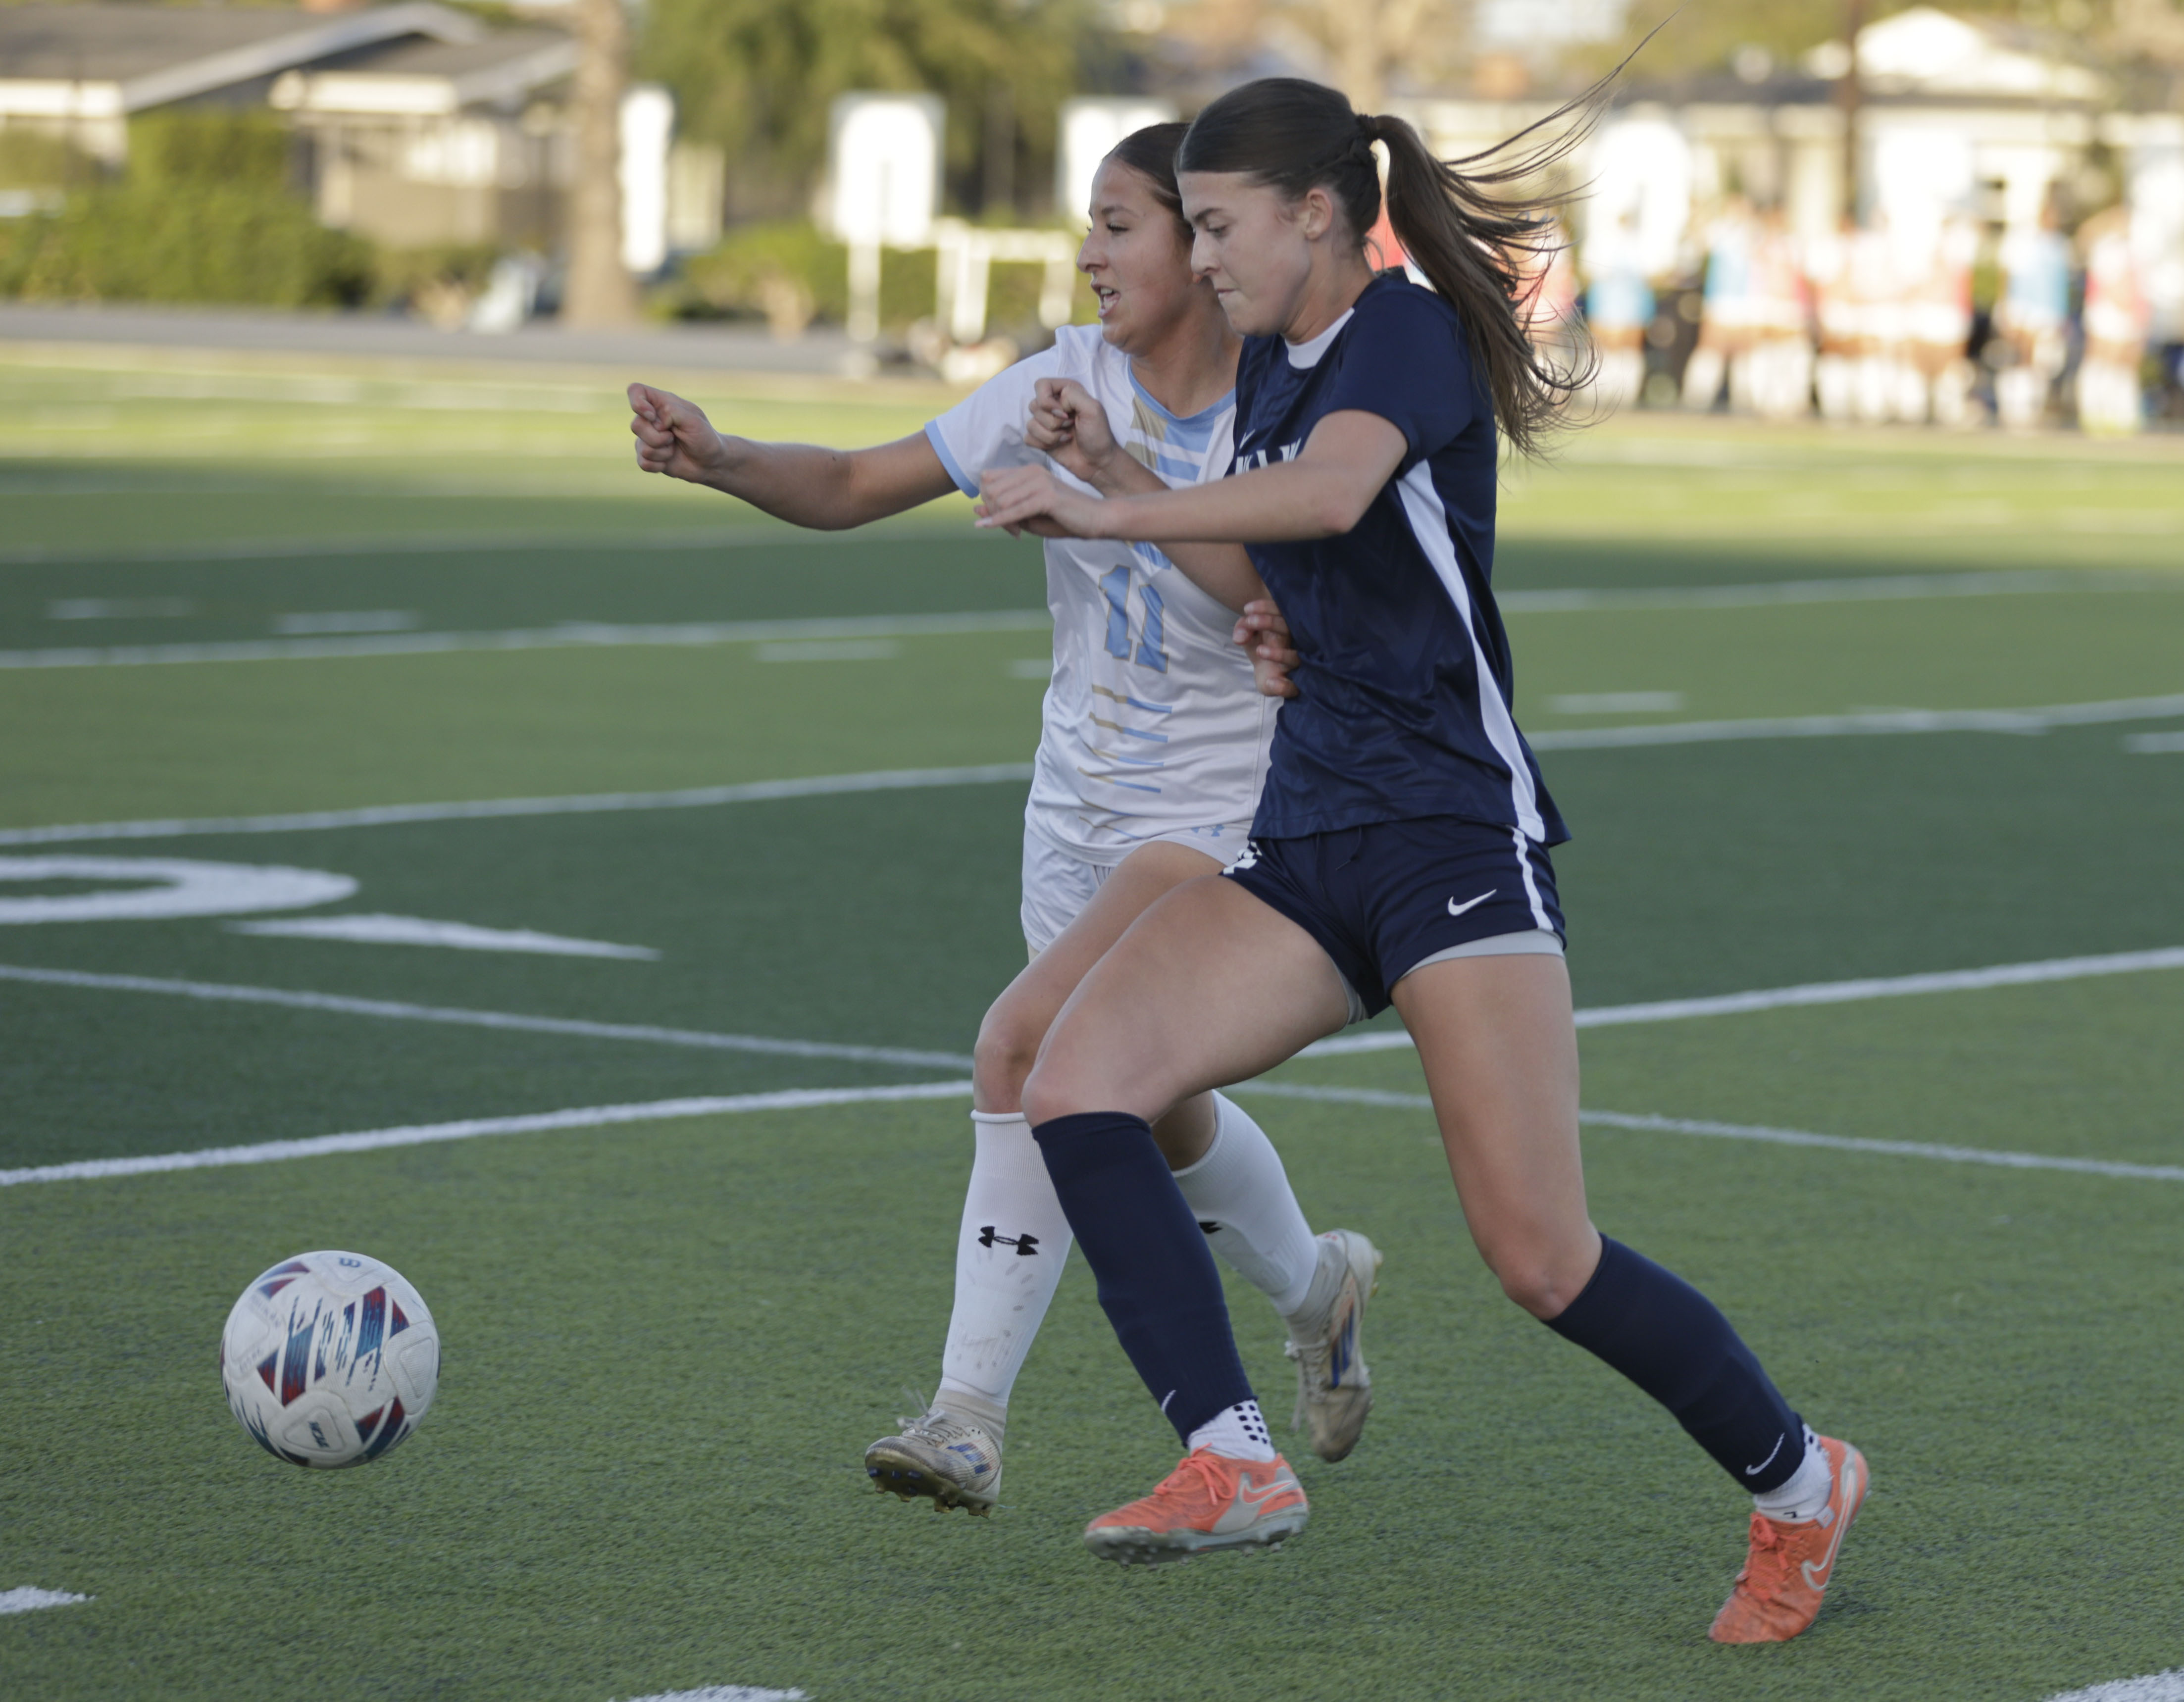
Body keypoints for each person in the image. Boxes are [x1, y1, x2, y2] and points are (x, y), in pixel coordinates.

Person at [974, 78, 1867, 1643]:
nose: (1201, 257)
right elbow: (1267, 557)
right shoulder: (1265, 355)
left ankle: (1799, 1486)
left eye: (1217, 225)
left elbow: (1329, 495)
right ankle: (1228, 1455)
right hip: (1309, 832)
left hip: (1451, 836)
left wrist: (1096, 513)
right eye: (1185, 227)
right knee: (1071, 1076)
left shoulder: (1397, 331)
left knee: (1538, 1256)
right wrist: (1122, 478)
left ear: (1318, 212)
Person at [625, 123, 1383, 1518]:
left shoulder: (1284, 410)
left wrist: (1106, 497)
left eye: (1124, 225)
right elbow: (860, 484)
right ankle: (1316, 1283)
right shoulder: (1057, 380)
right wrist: (718, 456)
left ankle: (966, 1415)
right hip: (1075, 813)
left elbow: (1270, 600)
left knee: (1022, 1044)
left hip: (1219, 820)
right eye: (1087, 226)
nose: (1092, 255)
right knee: (1147, 1108)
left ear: (1205, 245)